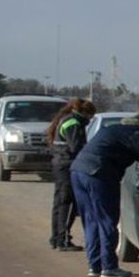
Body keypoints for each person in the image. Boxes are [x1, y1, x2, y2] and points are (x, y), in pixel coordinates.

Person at [70, 109, 139, 277]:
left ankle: (95, 266)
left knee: (91, 221)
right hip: (99, 174)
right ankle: (109, 267)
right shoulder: (136, 133)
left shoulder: (113, 128)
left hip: (78, 171)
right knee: (107, 221)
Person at [46, 98, 96, 251]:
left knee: (59, 203)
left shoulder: (67, 119)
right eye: (90, 116)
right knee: (68, 203)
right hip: (67, 165)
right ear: (85, 113)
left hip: (60, 164)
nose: (90, 120)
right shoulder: (74, 123)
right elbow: (76, 147)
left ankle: (56, 238)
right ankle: (63, 240)